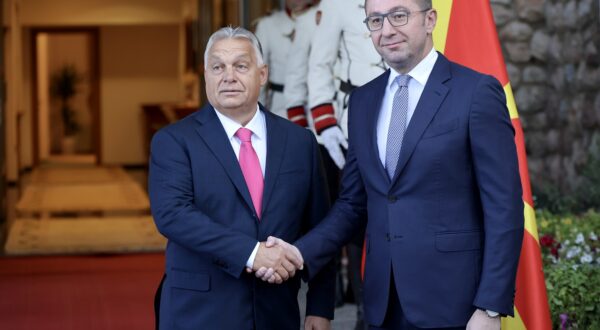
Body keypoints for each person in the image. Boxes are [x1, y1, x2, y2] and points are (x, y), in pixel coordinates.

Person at [260, 0, 525, 328]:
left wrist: (490, 306)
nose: (387, 30)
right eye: (375, 20)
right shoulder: (362, 101)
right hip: (382, 306)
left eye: (399, 16)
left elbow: (504, 207)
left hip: (457, 307)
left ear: (430, 20)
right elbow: (353, 205)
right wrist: (298, 253)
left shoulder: (475, 92)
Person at [148, 26, 334, 330]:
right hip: (199, 312)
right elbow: (173, 216)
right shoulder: (174, 141)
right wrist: (252, 253)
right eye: (218, 67)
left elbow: (318, 228)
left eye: (241, 66)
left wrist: (321, 307)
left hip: (277, 312)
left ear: (262, 74)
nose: (228, 76)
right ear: (206, 75)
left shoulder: (299, 142)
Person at [284, 2, 370, 329]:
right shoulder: (337, 4)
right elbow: (318, 65)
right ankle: (362, 308)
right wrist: (326, 124)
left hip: (403, 115)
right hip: (352, 122)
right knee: (352, 217)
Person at [255, 0, 315, 119]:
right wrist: (257, 114)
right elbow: (258, 77)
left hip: (317, 104)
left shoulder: (324, 20)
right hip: (280, 107)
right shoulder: (267, 25)